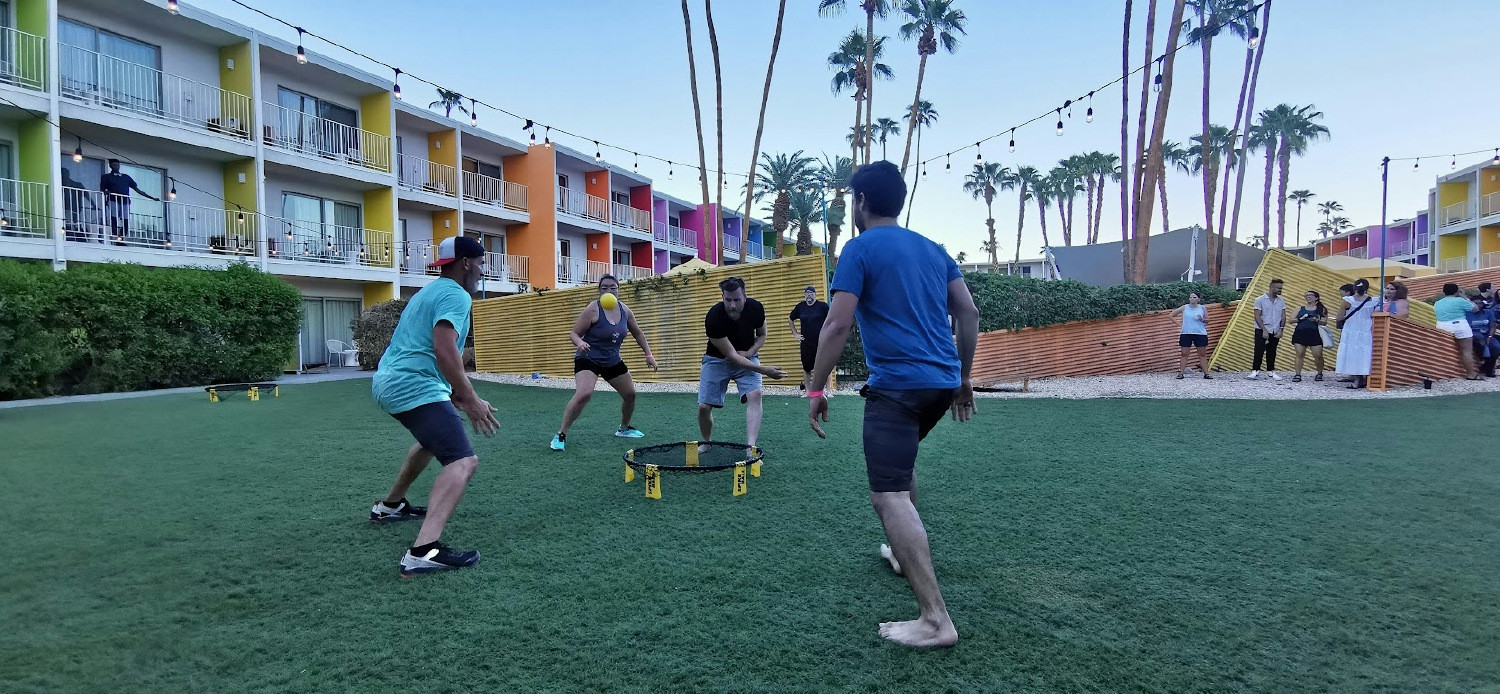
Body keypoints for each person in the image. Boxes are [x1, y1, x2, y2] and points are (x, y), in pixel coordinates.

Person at [806, 161, 979, 648]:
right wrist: (964, 378)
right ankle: (904, 556)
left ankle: (935, 620)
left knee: (887, 496)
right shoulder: (933, 249)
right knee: (900, 473)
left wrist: (816, 389)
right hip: (941, 385)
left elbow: (837, 325)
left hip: (899, 387)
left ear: (859, 201)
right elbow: (967, 311)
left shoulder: (858, 248)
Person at [369, 236, 499, 577]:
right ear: (466, 263)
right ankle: (423, 551)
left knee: (432, 441)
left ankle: (390, 506)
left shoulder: (428, 291)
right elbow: (445, 349)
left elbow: (430, 350)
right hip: (412, 385)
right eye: (481, 264)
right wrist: (468, 397)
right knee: (463, 461)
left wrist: (458, 392)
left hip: (391, 381)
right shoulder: (456, 294)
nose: (482, 271)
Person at [550, 274, 657, 451]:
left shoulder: (625, 311)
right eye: (604, 287)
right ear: (599, 291)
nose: (609, 290)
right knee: (584, 394)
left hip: (612, 360)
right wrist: (580, 343)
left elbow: (637, 332)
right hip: (588, 357)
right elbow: (574, 333)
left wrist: (649, 355)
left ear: (618, 289)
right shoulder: (593, 309)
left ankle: (624, 428)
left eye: (613, 287)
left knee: (630, 394)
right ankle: (560, 434)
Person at [697, 276, 785, 453]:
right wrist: (764, 370)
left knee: (756, 395)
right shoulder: (713, 318)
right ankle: (707, 442)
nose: (732, 305)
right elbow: (731, 356)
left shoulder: (756, 308)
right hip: (716, 360)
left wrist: (750, 353)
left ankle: (750, 447)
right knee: (703, 407)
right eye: (728, 300)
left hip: (747, 356)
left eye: (737, 299)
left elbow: (762, 335)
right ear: (722, 297)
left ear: (744, 296)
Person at [100, 158, 158, 244]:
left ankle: (121, 238)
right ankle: (116, 237)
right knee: (114, 219)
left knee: (126, 221)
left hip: (125, 201)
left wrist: (152, 198)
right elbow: (102, 189)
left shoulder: (126, 177)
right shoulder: (106, 177)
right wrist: (107, 192)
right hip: (113, 200)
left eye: (118, 165)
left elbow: (138, 190)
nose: (117, 167)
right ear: (110, 166)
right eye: (114, 165)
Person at [1335, 279, 1379, 389]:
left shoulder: (1348, 300)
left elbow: (1339, 317)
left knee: (1352, 352)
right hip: (1366, 329)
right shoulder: (1373, 301)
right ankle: (1362, 377)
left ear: (1354, 288)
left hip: (1351, 329)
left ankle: (1356, 379)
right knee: (1364, 353)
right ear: (1367, 289)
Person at [789, 286, 830, 394]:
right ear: (804, 295)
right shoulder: (800, 307)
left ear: (815, 295)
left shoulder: (822, 306)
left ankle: (828, 391)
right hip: (806, 343)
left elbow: (831, 319)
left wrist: (828, 334)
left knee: (824, 367)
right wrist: (795, 333)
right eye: (807, 293)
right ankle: (807, 391)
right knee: (807, 367)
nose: (809, 295)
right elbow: (790, 319)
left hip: (821, 342)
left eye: (811, 293)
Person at [1434, 283, 1480, 379]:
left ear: (1444, 291)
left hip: (1443, 326)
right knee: (1466, 351)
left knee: (1445, 351)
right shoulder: (1460, 300)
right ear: (1457, 291)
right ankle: (1471, 374)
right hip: (1460, 325)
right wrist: (1464, 297)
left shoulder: (1437, 303)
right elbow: (1475, 309)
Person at [1248, 279, 1287, 381]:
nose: (1280, 290)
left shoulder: (1281, 301)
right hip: (1262, 328)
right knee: (1259, 350)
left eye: (1281, 288)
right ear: (1271, 287)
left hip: (1275, 329)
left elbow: (1283, 316)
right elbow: (1257, 316)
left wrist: (1281, 329)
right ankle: (1255, 370)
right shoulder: (1260, 300)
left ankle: (1271, 371)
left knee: (1272, 351)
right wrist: (1264, 330)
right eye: (1278, 288)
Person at [1170, 292, 1212, 379]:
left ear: (1198, 299)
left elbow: (1207, 321)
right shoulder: (1184, 307)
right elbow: (1171, 315)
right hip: (1186, 333)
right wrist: (1179, 324)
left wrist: (1202, 319)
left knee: (1202, 354)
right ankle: (1181, 373)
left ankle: (1206, 373)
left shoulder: (1202, 308)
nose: (1192, 299)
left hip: (1200, 333)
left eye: (1194, 297)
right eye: (1190, 297)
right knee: (1184, 353)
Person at [1290, 290, 1328, 382]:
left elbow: (1324, 322)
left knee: (1318, 355)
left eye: (1310, 295)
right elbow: (1291, 320)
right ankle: (1297, 374)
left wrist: (1316, 320)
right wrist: (1300, 318)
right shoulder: (1299, 308)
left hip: (1315, 334)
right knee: (1299, 354)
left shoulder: (1321, 309)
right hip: (1300, 333)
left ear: (1316, 298)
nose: (1308, 297)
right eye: (1306, 295)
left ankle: (1319, 373)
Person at [1465, 291, 1497, 378]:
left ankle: (1489, 368)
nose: (1479, 305)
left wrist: (1490, 336)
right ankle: (1483, 363)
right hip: (1474, 334)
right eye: (1476, 303)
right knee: (1481, 342)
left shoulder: (1488, 312)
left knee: (1496, 347)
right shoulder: (1467, 314)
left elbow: (1492, 326)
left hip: (1487, 334)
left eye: (1480, 303)